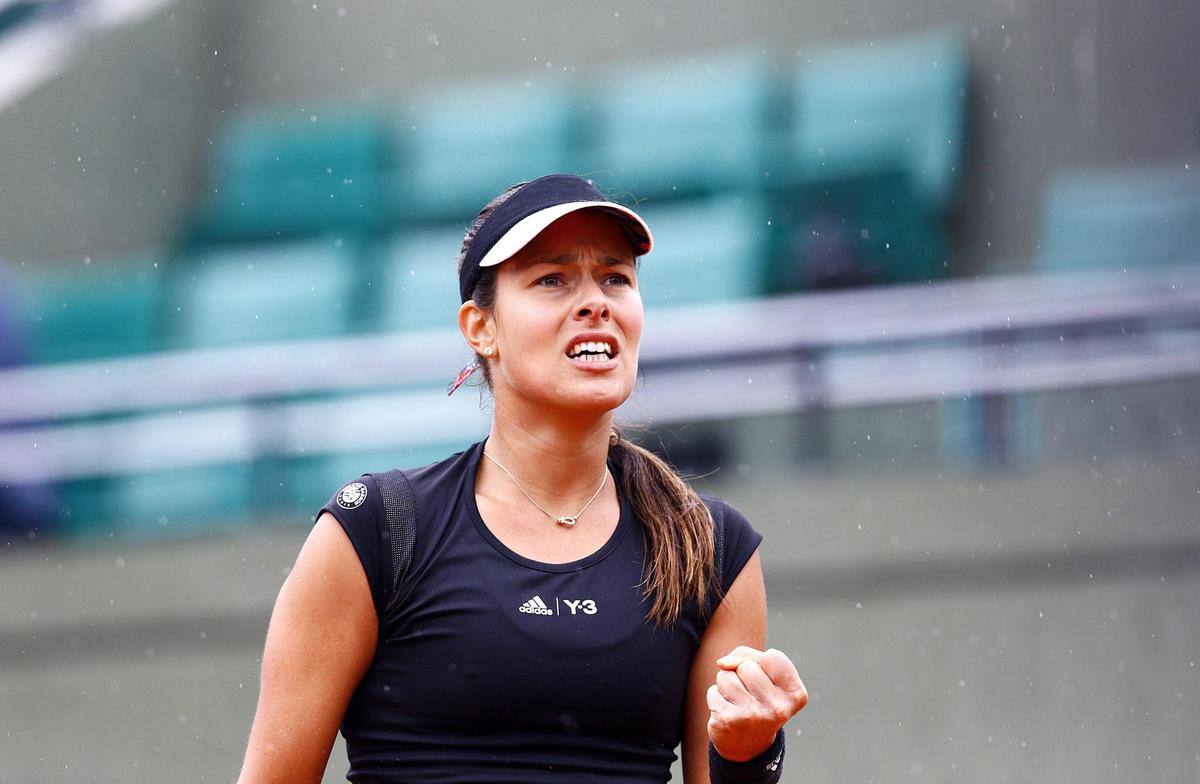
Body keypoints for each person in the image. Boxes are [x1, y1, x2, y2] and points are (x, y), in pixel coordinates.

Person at [237, 174, 808, 783]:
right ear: (480, 328)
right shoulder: (375, 529)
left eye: (615, 277)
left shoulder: (710, 546)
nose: (596, 302)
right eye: (552, 279)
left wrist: (748, 754)